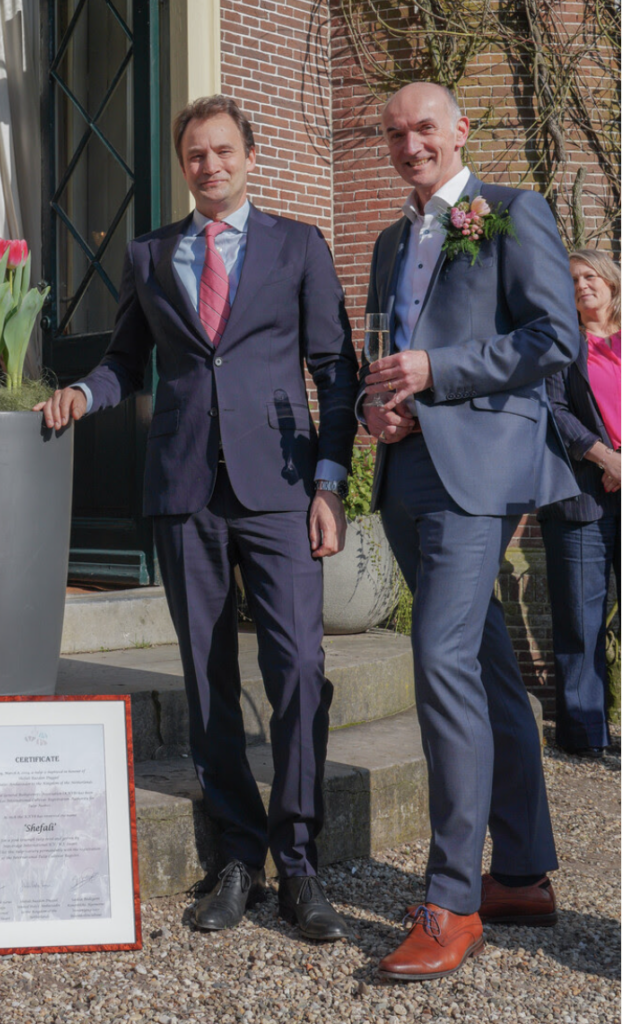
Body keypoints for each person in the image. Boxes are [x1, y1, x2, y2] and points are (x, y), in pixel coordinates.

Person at [37, 95, 359, 940]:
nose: (209, 165)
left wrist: (329, 482)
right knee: (207, 680)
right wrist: (84, 393)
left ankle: (298, 861)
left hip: (281, 489)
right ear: (183, 166)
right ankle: (236, 855)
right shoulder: (149, 254)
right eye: (194, 155)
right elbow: (125, 359)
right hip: (182, 490)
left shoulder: (298, 245)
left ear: (250, 156)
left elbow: (335, 367)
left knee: (298, 669)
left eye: (222, 151)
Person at [360, 82, 580, 981]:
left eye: (423, 128)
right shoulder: (387, 240)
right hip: (405, 469)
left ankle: (450, 902)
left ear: (457, 131)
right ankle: (520, 873)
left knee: (440, 658)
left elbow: (552, 337)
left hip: (478, 469)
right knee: (483, 661)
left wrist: (435, 370)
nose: (409, 144)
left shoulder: (512, 212)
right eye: (394, 133)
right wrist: (377, 409)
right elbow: (379, 348)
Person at [538, 250, 621, 758]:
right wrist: (606, 458)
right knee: (580, 618)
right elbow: (552, 408)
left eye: (591, 276)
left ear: (611, 282)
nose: (582, 285)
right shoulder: (559, 342)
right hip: (579, 496)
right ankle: (585, 735)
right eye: (572, 280)